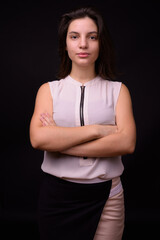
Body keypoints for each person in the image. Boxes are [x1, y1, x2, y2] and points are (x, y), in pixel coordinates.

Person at [30, 6, 136, 240]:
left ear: (101, 43)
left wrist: (59, 141)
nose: (83, 45)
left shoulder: (118, 91)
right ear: (65, 44)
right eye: (74, 36)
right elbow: (38, 139)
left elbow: (127, 143)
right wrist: (98, 130)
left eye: (92, 37)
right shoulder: (48, 91)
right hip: (57, 198)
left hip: (107, 197)